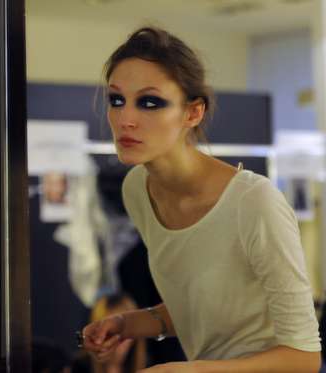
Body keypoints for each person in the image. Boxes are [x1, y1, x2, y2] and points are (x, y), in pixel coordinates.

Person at [81, 26, 321, 372]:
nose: (125, 119)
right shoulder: (137, 189)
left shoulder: (254, 202)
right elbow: (200, 307)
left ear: (193, 113)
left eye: (150, 102)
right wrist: (127, 324)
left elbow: (305, 358)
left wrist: (194, 370)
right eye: (117, 100)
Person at [71, 293, 146, 373]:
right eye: (109, 332)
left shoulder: (147, 365)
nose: (117, 337)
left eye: (122, 330)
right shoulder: (78, 367)